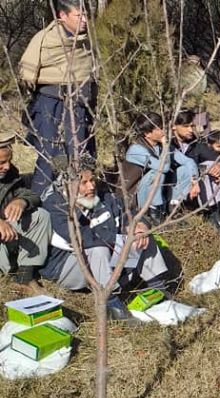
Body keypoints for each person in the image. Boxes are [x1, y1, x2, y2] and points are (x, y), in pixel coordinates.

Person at [41, 158, 171, 320]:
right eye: (84, 183)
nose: (91, 186)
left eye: (92, 180)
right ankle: (111, 304)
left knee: (141, 236)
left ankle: (159, 289)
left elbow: (128, 212)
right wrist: (120, 239)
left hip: (105, 262)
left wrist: (139, 226)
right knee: (98, 248)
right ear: (68, 184)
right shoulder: (56, 205)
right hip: (68, 268)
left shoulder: (102, 196)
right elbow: (80, 237)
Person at [19, 0, 96, 194]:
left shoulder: (86, 42)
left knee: (80, 152)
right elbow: (26, 73)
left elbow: (90, 71)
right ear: (63, 16)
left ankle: (79, 195)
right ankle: (40, 198)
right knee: (50, 154)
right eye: (79, 15)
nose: (85, 20)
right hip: (50, 105)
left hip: (78, 105)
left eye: (86, 15)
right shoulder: (45, 39)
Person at [124, 112, 199, 223]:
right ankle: (154, 213)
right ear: (147, 134)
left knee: (184, 170)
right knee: (157, 173)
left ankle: (173, 207)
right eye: (159, 128)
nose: (164, 131)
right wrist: (165, 145)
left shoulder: (160, 146)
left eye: (163, 127)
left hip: (156, 192)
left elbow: (189, 162)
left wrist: (194, 181)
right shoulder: (136, 150)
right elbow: (164, 168)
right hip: (135, 197)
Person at [0, 132, 50, 290]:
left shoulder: (9, 175)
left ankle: (25, 277)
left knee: (40, 216)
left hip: (6, 235)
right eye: (2, 162)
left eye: (9, 161)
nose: (7, 167)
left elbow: (30, 195)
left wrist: (22, 201)